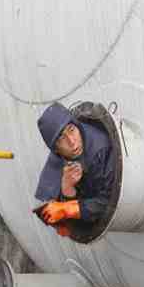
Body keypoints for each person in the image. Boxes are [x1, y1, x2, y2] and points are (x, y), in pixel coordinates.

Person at [35, 101, 115, 237]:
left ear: (77, 126)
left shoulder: (101, 150)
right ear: (55, 149)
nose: (72, 142)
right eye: (61, 139)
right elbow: (64, 226)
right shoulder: (60, 162)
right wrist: (67, 189)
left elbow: (108, 203)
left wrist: (67, 209)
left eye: (71, 130)